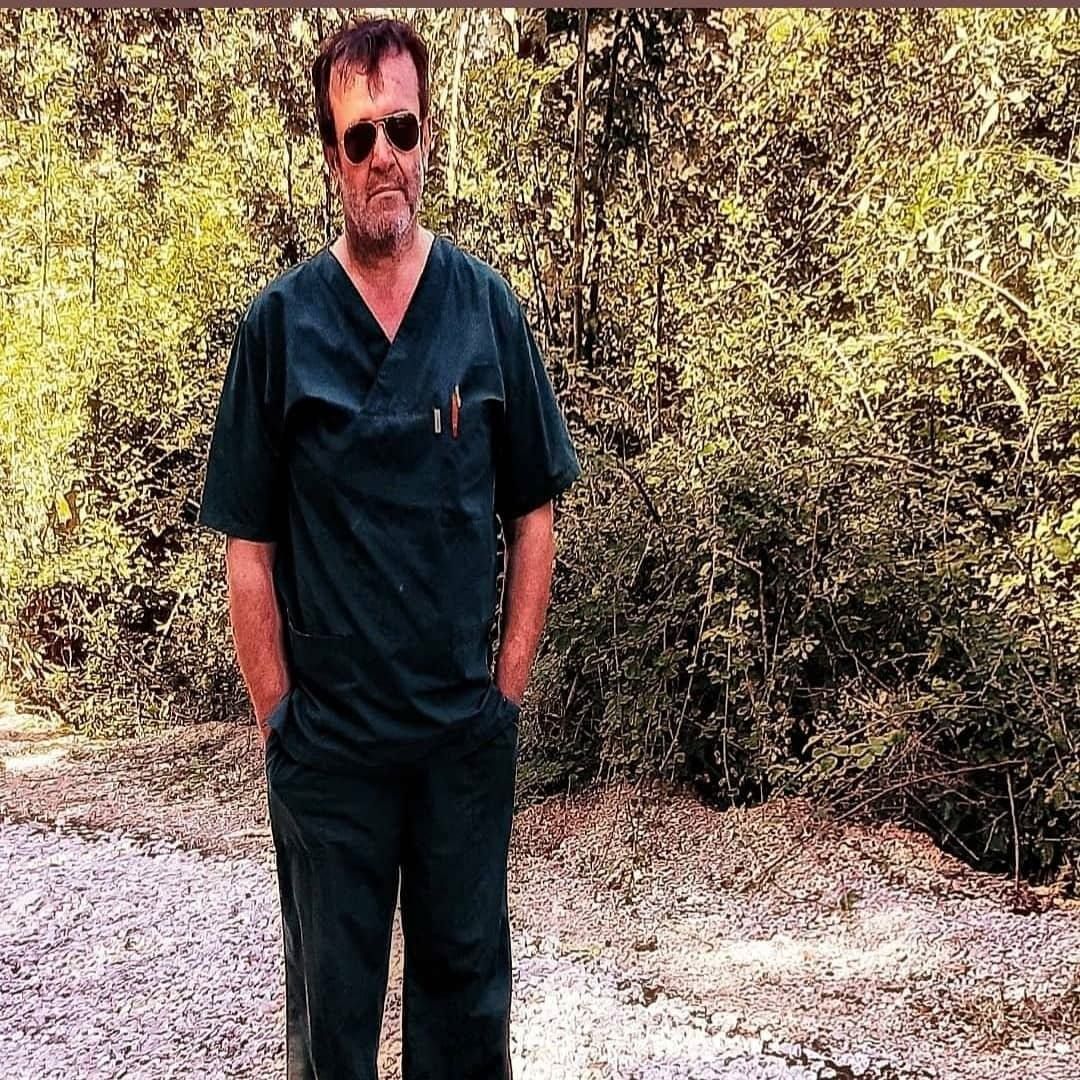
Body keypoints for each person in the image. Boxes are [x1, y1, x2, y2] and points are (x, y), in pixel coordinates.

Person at [196, 16, 580, 1080]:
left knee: (467, 1016)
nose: (383, 158)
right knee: (333, 1027)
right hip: (332, 753)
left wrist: (505, 695)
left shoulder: (485, 310)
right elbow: (247, 545)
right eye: (359, 137)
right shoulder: (280, 329)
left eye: (400, 130)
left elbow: (534, 512)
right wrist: (280, 721)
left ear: (427, 138)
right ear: (331, 156)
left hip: (461, 743)